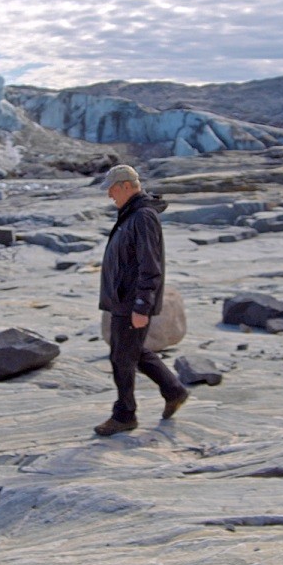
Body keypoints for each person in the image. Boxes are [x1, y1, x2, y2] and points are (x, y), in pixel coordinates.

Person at [94, 164, 189, 436]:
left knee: (122, 358)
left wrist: (141, 306)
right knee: (130, 352)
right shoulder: (132, 214)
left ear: (126, 186)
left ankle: (125, 415)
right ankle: (174, 390)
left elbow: (150, 266)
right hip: (123, 300)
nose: (109, 195)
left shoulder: (142, 216)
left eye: (112, 189)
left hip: (131, 301)